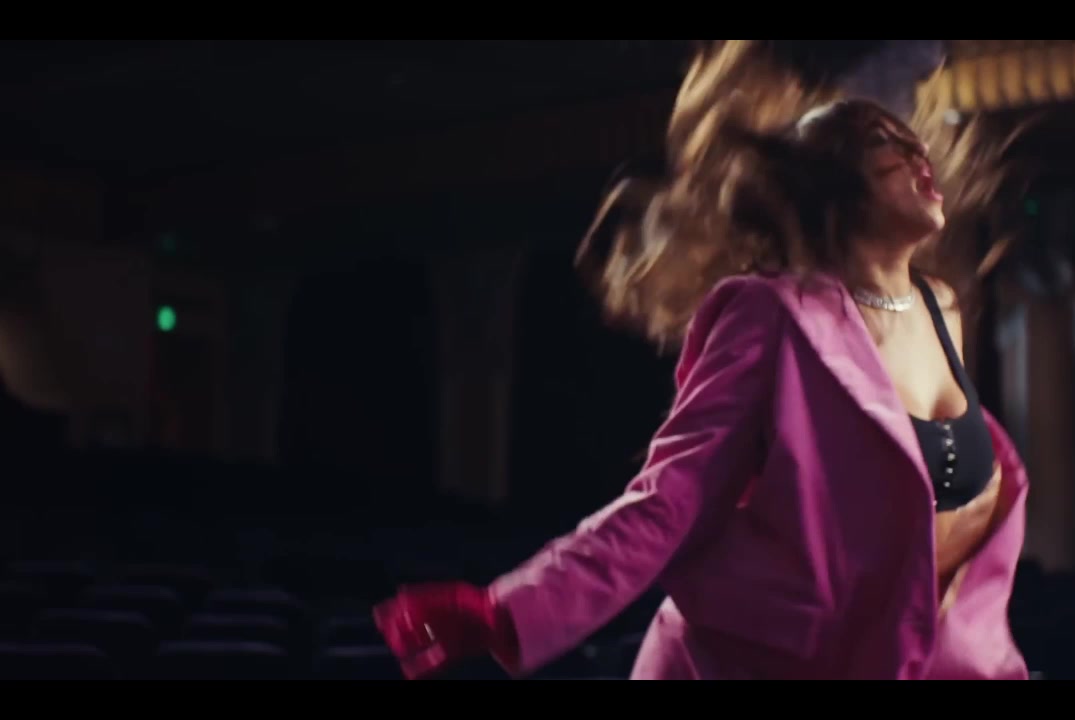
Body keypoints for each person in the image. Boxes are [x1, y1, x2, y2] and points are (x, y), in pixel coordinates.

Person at [373, 40, 1030, 680]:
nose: (918, 153)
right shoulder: (768, 314)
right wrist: (505, 611)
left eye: (914, 141)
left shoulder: (940, 309)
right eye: (885, 141)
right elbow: (670, 500)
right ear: (834, 188)